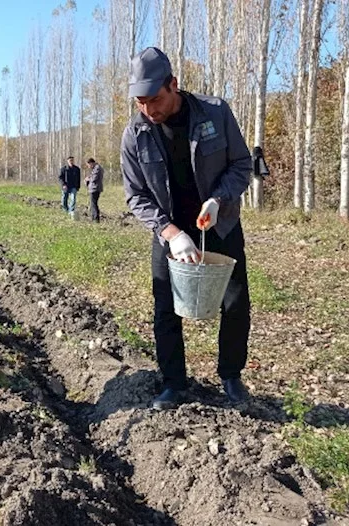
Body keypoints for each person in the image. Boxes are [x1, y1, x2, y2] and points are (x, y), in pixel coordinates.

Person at [121, 47, 252, 410]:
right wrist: (171, 233)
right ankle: (174, 383)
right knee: (165, 306)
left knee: (236, 301)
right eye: (140, 102)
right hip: (170, 232)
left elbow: (241, 165)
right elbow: (135, 196)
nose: (149, 110)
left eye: (156, 99)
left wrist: (218, 200)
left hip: (219, 223)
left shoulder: (215, 112)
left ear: (173, 85)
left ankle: (231, 375)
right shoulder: (135, 135)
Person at [85, 158, 104, 222]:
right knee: (93, 203)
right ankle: (93, 217)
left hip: (95, 188)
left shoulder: (97, 168)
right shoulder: (96, 168)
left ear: (91, 163)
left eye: (89, 165)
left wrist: (88, 179)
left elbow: (94, 178)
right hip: (94, 188)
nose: (89, 167)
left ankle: (96, 218)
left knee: (94, 204)